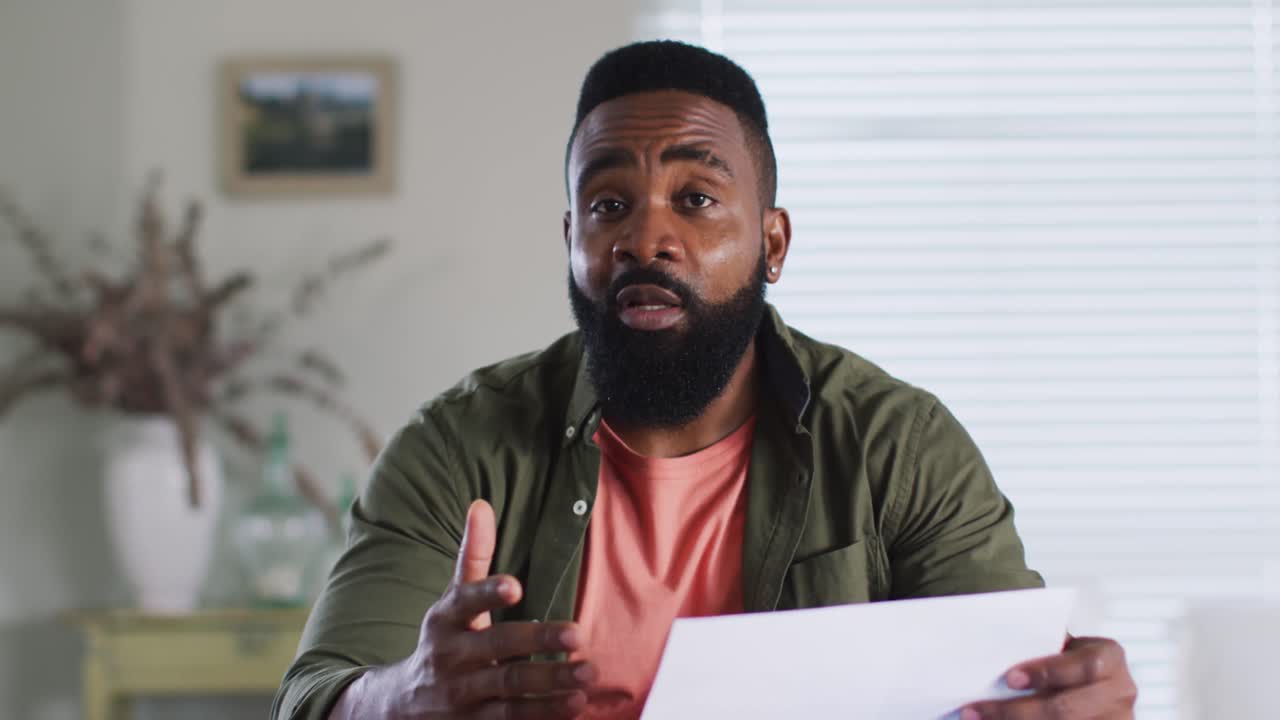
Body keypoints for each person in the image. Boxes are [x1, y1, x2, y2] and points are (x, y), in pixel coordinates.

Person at [273, 40, 1138, 720]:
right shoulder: (456, 446)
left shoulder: (897, 444)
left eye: (696, 199)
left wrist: (1067, 699)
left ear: (773, 242)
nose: (646, 238)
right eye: (609, 205)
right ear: (570, 237)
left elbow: (1014, 684)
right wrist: (399, 700)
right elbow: (316, 696)